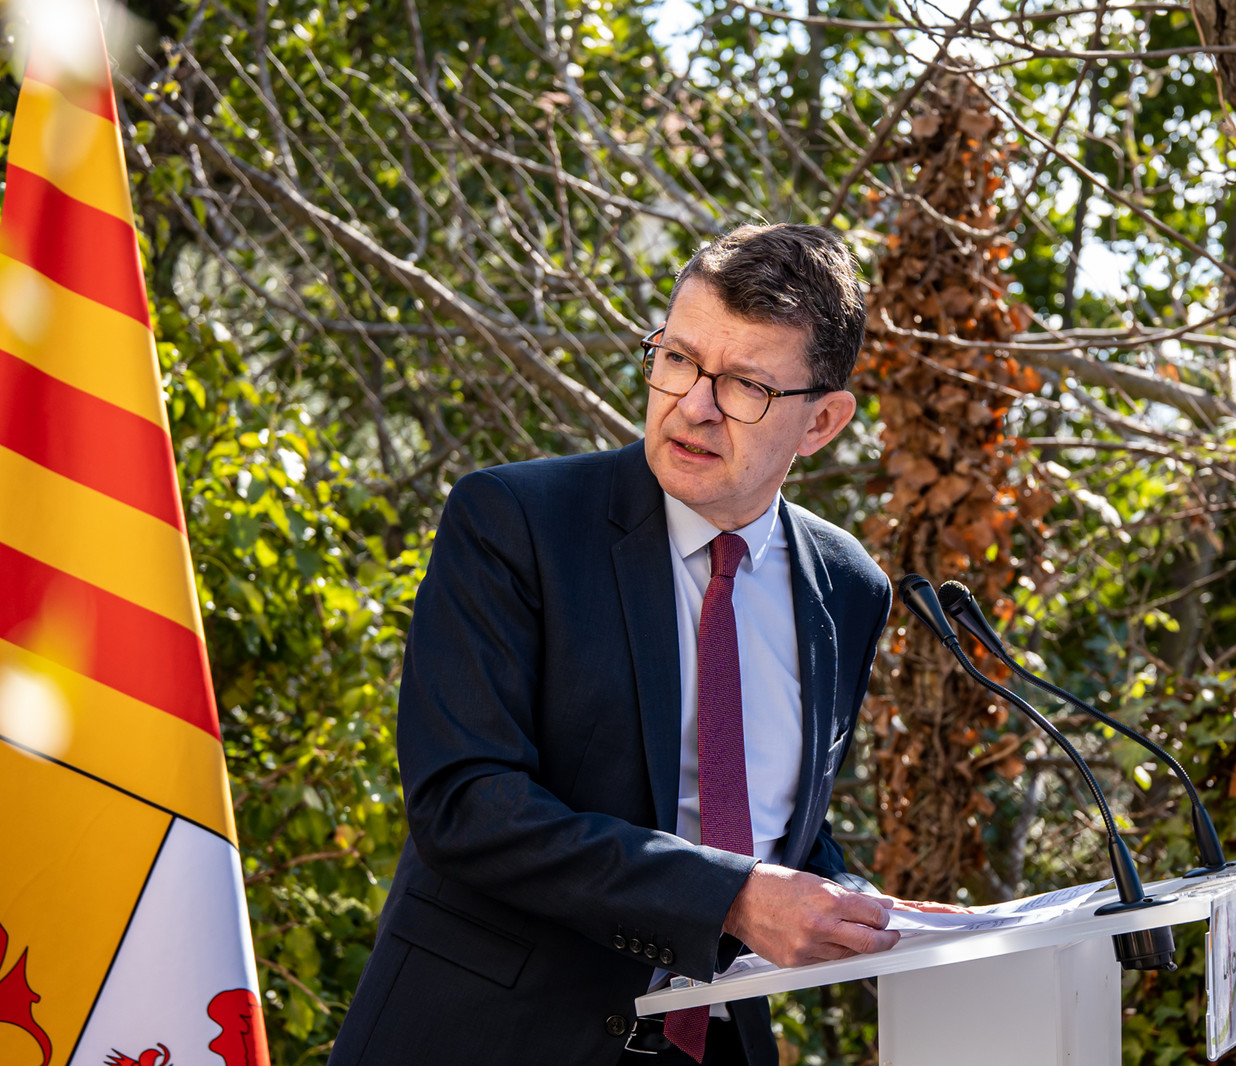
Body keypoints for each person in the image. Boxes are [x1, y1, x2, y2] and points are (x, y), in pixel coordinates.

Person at [329, 224, 933, 1066]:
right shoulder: (515, 522)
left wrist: (854, 904)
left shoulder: (848, 587)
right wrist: (732, 899)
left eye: (747, 386)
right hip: (491, 1038)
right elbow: (466, 805)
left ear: (822, 422)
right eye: (678, 358)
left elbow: (780, 829)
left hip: (716, 1046)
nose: (692, 405)